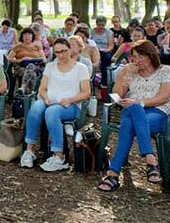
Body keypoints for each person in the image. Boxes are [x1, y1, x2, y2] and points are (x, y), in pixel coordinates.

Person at [97, 40, 170, 192]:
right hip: (131, 111)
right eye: (134, 57)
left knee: (129, 122)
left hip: (157, 113)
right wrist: (123, 74)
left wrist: (139, 103)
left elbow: (164, 97)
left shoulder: (167, 70)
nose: (136, 61)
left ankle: (113, 174)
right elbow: (117, 96)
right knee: (132, 110)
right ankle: (150, 160)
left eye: (141, 57)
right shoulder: (131, 72)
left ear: (151, 55)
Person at [20, 38, 91, 172]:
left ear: (70, 49)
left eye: (63, 51)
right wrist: (46, 98)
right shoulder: (51, 66)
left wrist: (71, 99)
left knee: (51, 112)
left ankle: (59, 156)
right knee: (35, 108)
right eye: (57, 52)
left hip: (71, 104)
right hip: (50, 100)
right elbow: (42, 89)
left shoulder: (81, 68)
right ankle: (30, 151)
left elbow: (86, 93)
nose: (61, 55)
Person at [7, 28, 46, 93]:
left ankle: (23, 88)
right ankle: (29, 93)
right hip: (20, 67)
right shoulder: (17, 47)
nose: (27, 36)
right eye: (25, 34)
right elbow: (8, 58)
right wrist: (21, 60)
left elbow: (44, 59)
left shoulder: (37, 47)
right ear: (22, 36)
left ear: (32, 36)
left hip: (35, 67)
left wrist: (32, 60)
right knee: (32, 73)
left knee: (31, 66)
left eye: (29, 34)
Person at [92, 16, 115, 86]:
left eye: (103, 25)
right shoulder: (92, 32)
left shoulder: (109, 32)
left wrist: (106, 50)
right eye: (99, 25)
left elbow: (111, 45)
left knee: (107, 58)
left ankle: (104, 81)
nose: (101, 27)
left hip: (104, 51)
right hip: (94, 51)